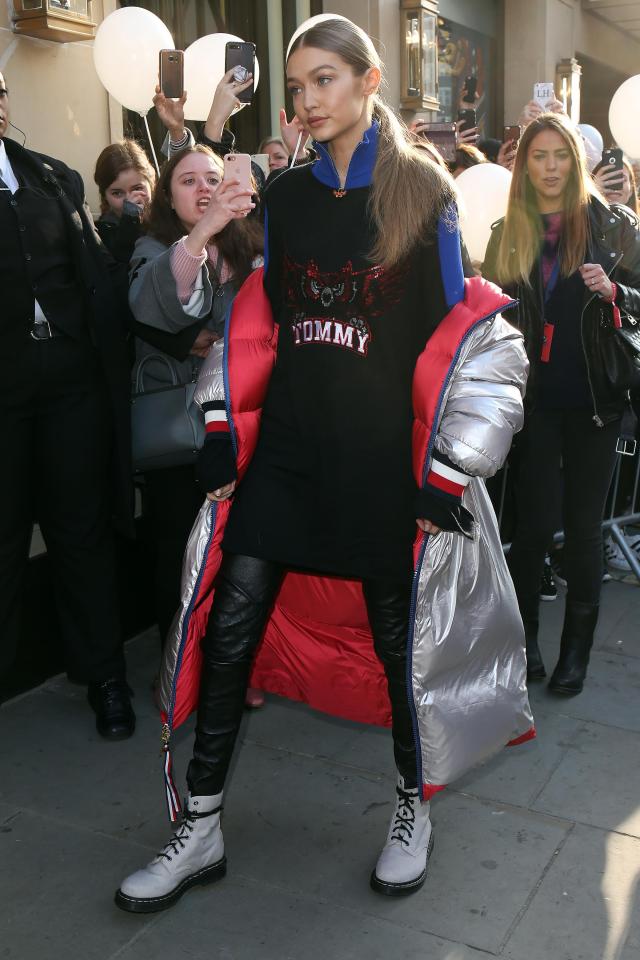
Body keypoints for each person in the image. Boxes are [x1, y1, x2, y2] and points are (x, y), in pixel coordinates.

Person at [115, 17, 532, 914]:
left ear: (370, 78)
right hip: (293, 456)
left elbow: (466, 339)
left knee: (398, 648)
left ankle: (412, 809)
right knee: (230, 632)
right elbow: (251, 321)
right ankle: (202, 822)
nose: (306, 100)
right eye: (297, 86)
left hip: (383, 465)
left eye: (324, 81)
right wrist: (222, 425)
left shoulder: (425, 192)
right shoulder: (289, 197)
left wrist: (448, 472)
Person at [483, 113, 640, 694]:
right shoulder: (508, 231)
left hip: (596, 403)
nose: (550, 168)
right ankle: (525, 647)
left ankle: (575, 653)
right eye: (538, 156)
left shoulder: (614, 227)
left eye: (560, 156)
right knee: (531, 533)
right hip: (534, 405)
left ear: (576, 162)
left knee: (581, 531)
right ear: (523, 165)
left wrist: (616, 291)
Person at [0, 72, 135, 737]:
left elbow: (97, 267)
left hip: (73, 387)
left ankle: (105, 679)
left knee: (82, 534)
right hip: (5, 395)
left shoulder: (50, 178)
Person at [127, 144, 261, 656]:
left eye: (213, 177)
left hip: (242, 424)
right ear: (167, 195)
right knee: (181, 552)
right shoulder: (151, 248)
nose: (204, 188)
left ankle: (231, 662)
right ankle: (179, 662)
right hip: (180, 435)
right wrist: (202, 232)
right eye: (188, 181)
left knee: (241, 551)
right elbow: (158, 307)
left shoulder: (250, 243)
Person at [93, 139, 155, 263]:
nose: (130, 200)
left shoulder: (166, 217)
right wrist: (130, 219)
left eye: (137, 189)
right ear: (105, 196)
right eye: (117, 193)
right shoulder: (102, 232)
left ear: (151, 184)